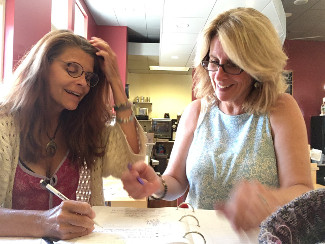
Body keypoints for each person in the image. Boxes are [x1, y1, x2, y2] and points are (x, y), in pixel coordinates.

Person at [121, 7, 313, 232]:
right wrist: (157, 185)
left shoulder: (280, 110)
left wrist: (270, 200)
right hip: (199, 235)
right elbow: (175, 180)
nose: (218, 76)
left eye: (232, 64)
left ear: (257, 67)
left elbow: (301, 189)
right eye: (213, 61)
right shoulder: (195, 112)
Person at [0, 30, 146, 240]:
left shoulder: (86, 129)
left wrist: (115, 80)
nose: (83, 83)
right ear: (42, 66)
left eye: (89, 77)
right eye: (72, 69)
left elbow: (129, 161)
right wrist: (45, 222)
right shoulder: (4, 124)